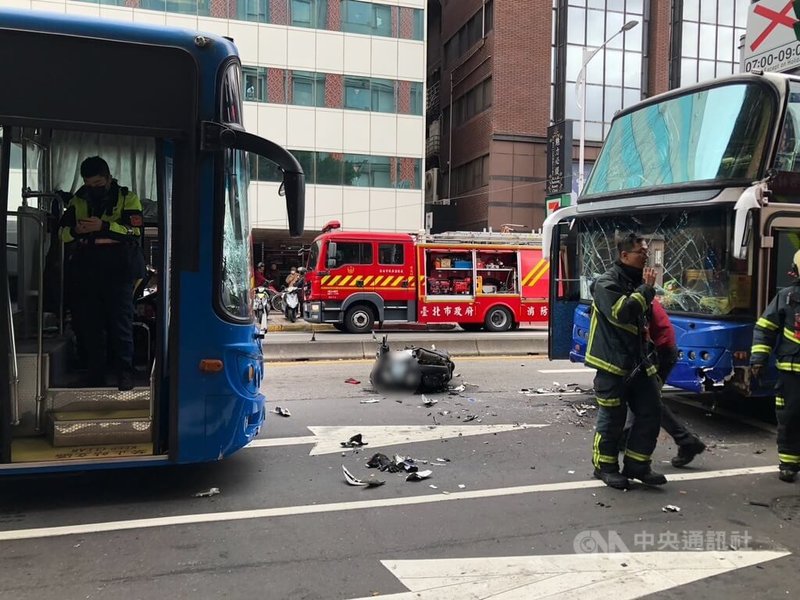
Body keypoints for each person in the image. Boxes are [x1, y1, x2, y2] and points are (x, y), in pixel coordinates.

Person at [586, 233, 666, 489]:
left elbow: (641, 321)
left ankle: (638, 465)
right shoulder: (606, 283)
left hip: (639, 363)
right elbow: (622, 313)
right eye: (641, 253)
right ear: (624, 255)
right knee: (613, 419)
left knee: (651, 412)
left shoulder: (636, 282)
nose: (645, 257)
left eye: (646, 252)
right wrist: (646, 290)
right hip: (612, 365)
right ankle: (605, 467)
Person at [60, 156, 144, 391]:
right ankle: (94, 374)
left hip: (119, 270)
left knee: (121, 323)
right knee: (91, 325)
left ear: (108, 178)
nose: (94, 189)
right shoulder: (78, 200)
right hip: (88, 269)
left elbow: (135, 232)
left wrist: (103, 227)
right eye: (89, 184)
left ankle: (125, 374)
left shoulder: (127, 198)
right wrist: (77, 230)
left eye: (98, 183)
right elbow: (62, 234)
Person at [621, 298, 707, 467]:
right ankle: (626, 436)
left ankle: (686, 441)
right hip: (662, 348)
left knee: (648, 399)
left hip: (660, 351)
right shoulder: (637, 294)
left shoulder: (633, 299)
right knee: (640, 396)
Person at [751, 250, 800, 483]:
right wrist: (758, 360)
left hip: (791, 370)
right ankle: (789, 464)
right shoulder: (787, 297)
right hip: (792, 373)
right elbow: (765, 328)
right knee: (789, 417)